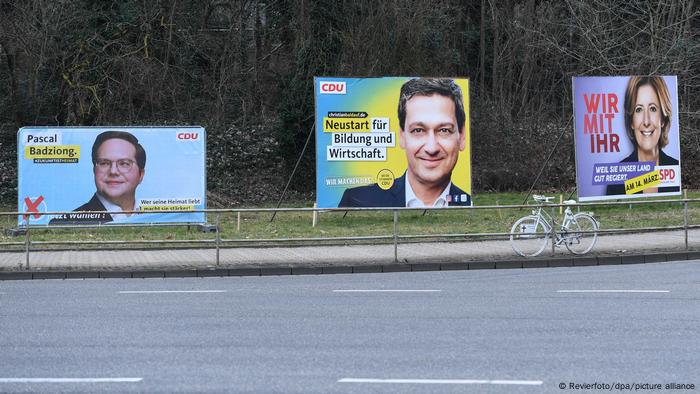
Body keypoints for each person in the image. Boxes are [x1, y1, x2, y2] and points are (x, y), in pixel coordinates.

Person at [339, 78, 471, 207]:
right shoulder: (356, 200)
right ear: (402, 136)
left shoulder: (468, 204)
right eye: (418, 130)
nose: (431, 148)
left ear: (462, 136)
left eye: (444, 130)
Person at [50, 131, 146, 224]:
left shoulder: (156, 217)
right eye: (104, 163)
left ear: (141, 174)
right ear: (94, 170)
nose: (113, 171)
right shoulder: (65, 224)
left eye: (124, 163)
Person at [606, 76, 679, 196]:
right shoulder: (616, 179)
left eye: (653, 109)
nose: (646, 121)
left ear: (662, 119)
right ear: (631, 121)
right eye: (639, 109)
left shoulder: (676, 169)